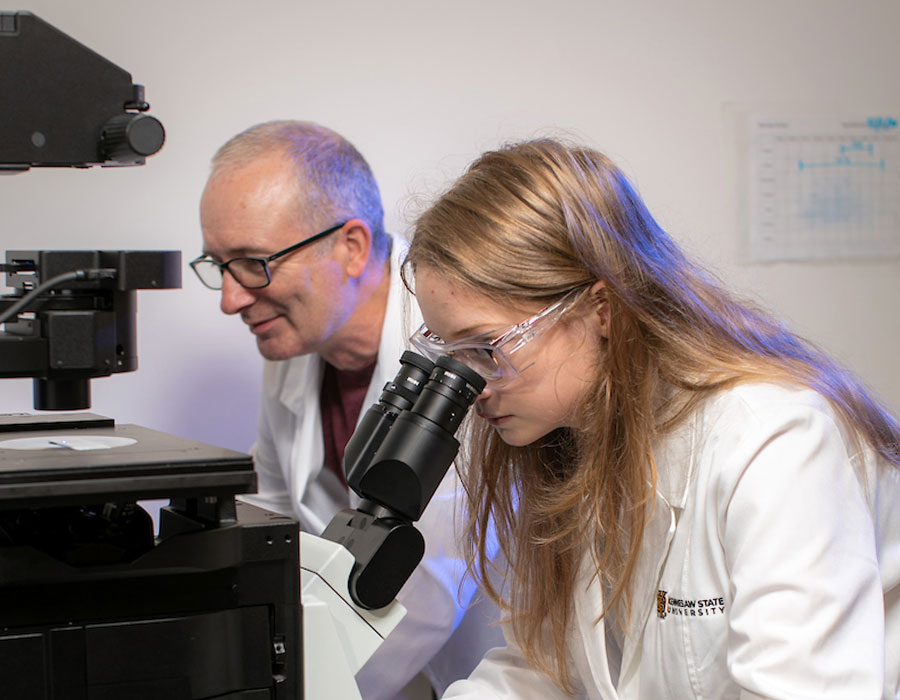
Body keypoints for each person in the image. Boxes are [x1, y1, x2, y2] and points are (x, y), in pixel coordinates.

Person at [402, 138, 900, 699]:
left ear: (602, 309)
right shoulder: (568, 438)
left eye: (487, 347)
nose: (470, 387)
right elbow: (543, 671)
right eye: (451, 351)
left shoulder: (775, 439)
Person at [191, 120, 502, 700]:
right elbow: (272, 525)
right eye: (218, 265)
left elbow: (424, 586)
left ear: (352, 248)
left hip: (485, 669)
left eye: (254, 264)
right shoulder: (298, 339)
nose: (231, 299)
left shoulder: (461, 349)